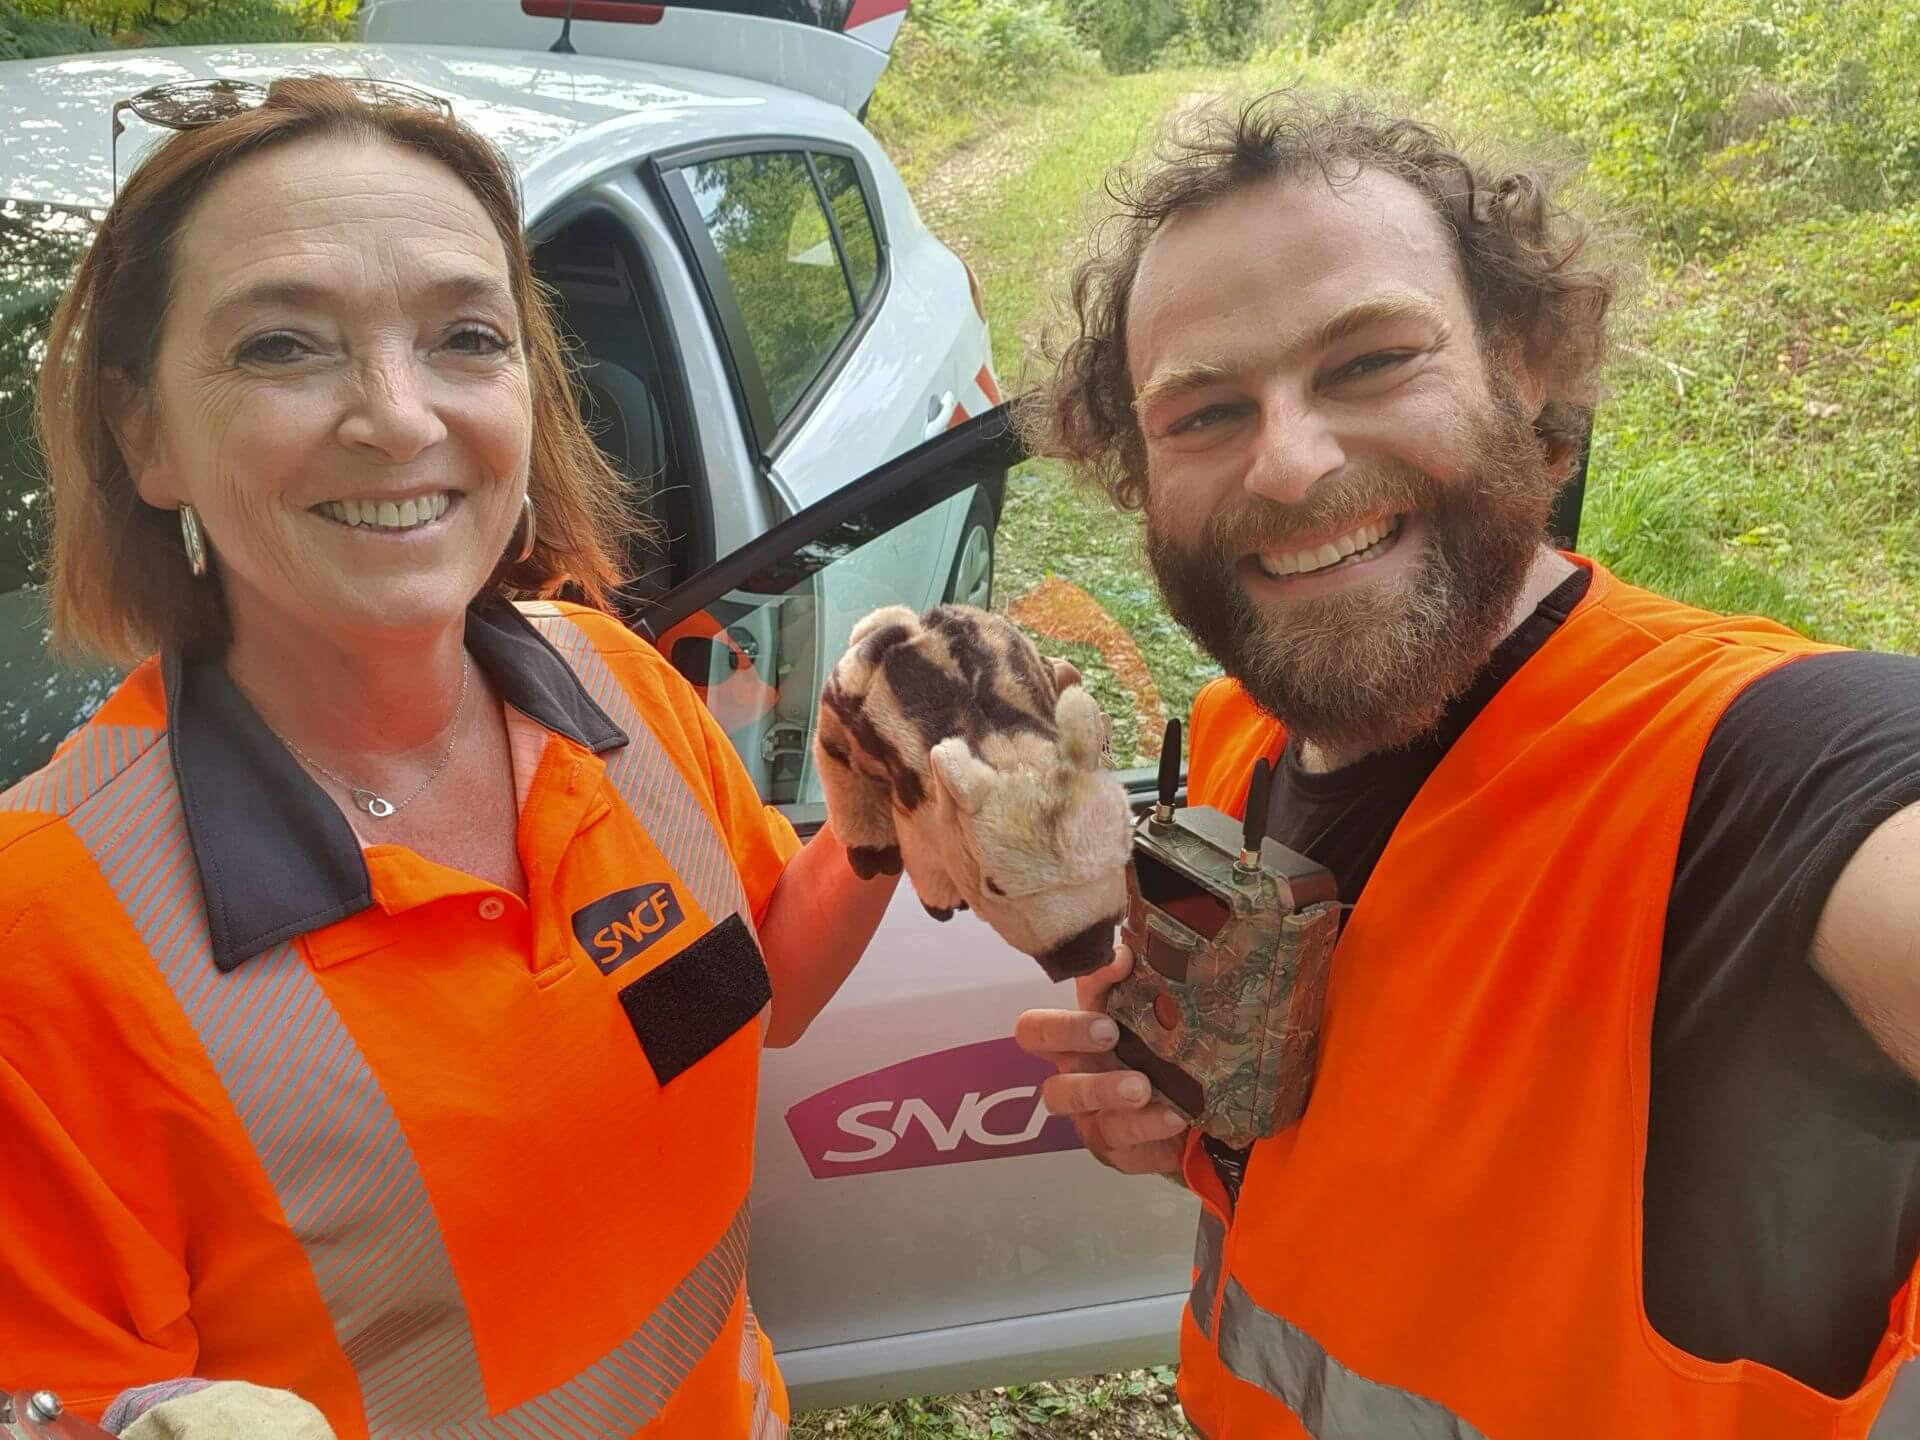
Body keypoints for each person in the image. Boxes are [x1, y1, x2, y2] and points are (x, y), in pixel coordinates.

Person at [0, 76, 899, 1437]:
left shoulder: (614, 687)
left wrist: (874, 828)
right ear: (144, 433)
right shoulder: (43, 939)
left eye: (467, 337)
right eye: (282, 347)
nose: (400, 418)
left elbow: (753, 987)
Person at [1014, 92, 1920, 1439]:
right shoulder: (1239, 736)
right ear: (1138, 473)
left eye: (1372, 360)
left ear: (1527, 364)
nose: (1290, 464)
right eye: (1202, 413)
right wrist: (1187, 1123)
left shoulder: (1749, 771)